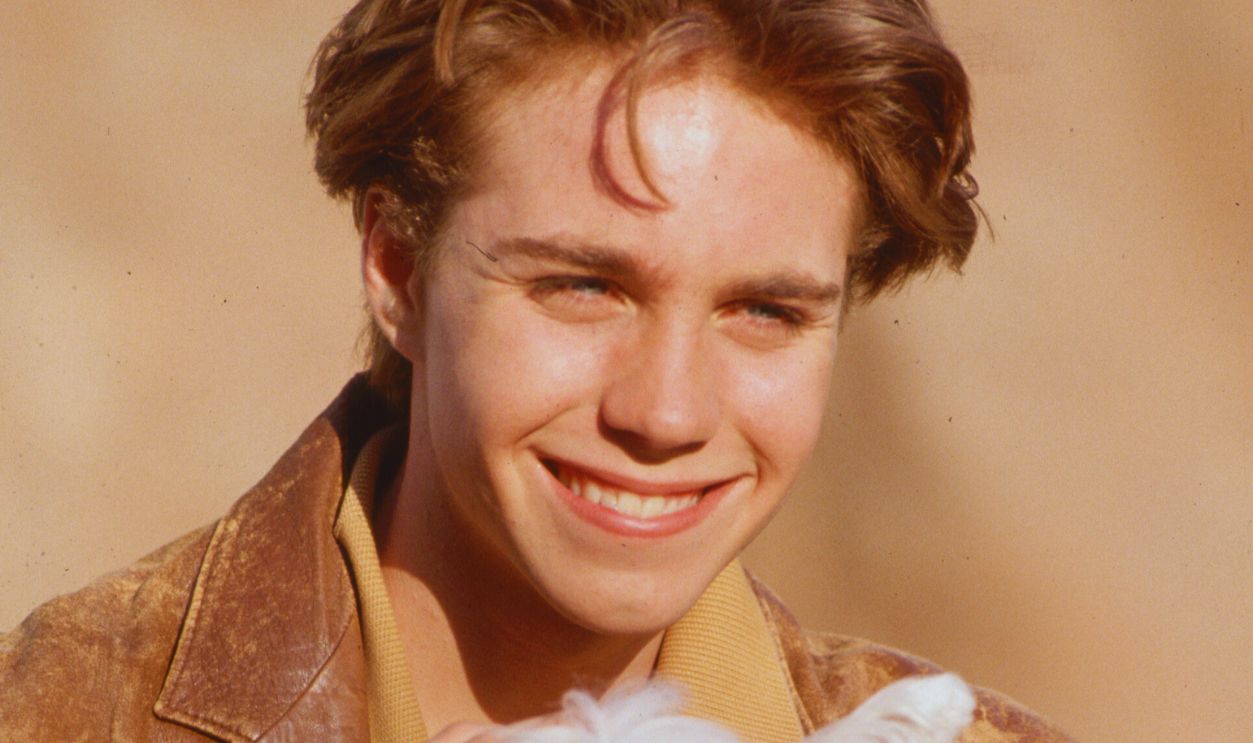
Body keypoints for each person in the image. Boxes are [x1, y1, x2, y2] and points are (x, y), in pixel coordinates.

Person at [0, 1, 1071, 741]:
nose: (664, 409)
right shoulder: (63, 707)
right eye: (583, 286)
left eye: (764, 309)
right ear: (397, 267)